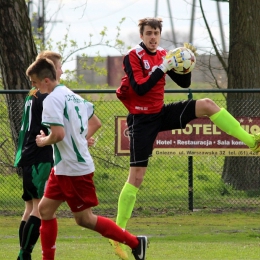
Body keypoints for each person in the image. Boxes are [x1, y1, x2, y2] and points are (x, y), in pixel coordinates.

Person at [113, 17, 260, 257]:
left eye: (156, 33)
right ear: (141, 35)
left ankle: (252, 141)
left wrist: (182, 62)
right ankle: (117, 234)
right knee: (136, 178)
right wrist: (162, 67)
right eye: (148, 33)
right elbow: (139, 88)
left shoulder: (162, 53)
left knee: (207, 104)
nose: (152, 37)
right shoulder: (133, 56)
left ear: (160, 35)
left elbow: (184, 83)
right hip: (141, 120)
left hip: (160, 113)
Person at [25, 57, 148, 260]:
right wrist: (80, 140)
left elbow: (58, 135)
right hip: (63, 166)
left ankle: (135, 242)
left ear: (46, 80)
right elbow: (95, 123)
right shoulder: (72, 95)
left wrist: (43, 141)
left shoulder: (51, 100)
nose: (35, 88)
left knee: (85, 219)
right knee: (45, 210)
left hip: (74, 169)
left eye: (35, 83)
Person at [14, 51, 63, 260]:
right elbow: (52, 128)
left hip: (26, 154)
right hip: (39, 155)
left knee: (30, 208)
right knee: (39, 208)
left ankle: (24, 254)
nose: (60, 70)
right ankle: (24, 254)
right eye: (58, 66)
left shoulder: (32, 92)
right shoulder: (46, 95)